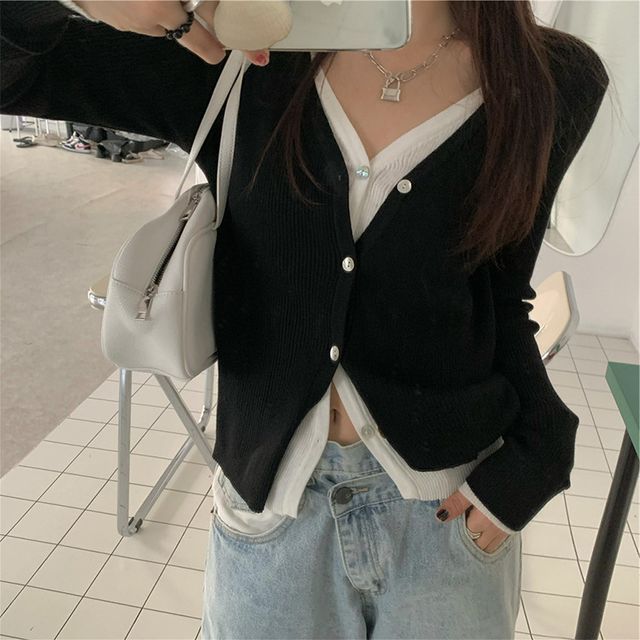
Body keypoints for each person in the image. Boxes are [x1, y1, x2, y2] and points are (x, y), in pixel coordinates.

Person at [0, 1, 609, 638]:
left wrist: (543, 448)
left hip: (450, 516)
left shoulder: (551, 77)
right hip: (273, 517)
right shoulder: (233, 55)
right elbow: (17, 71)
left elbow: (503, 295)